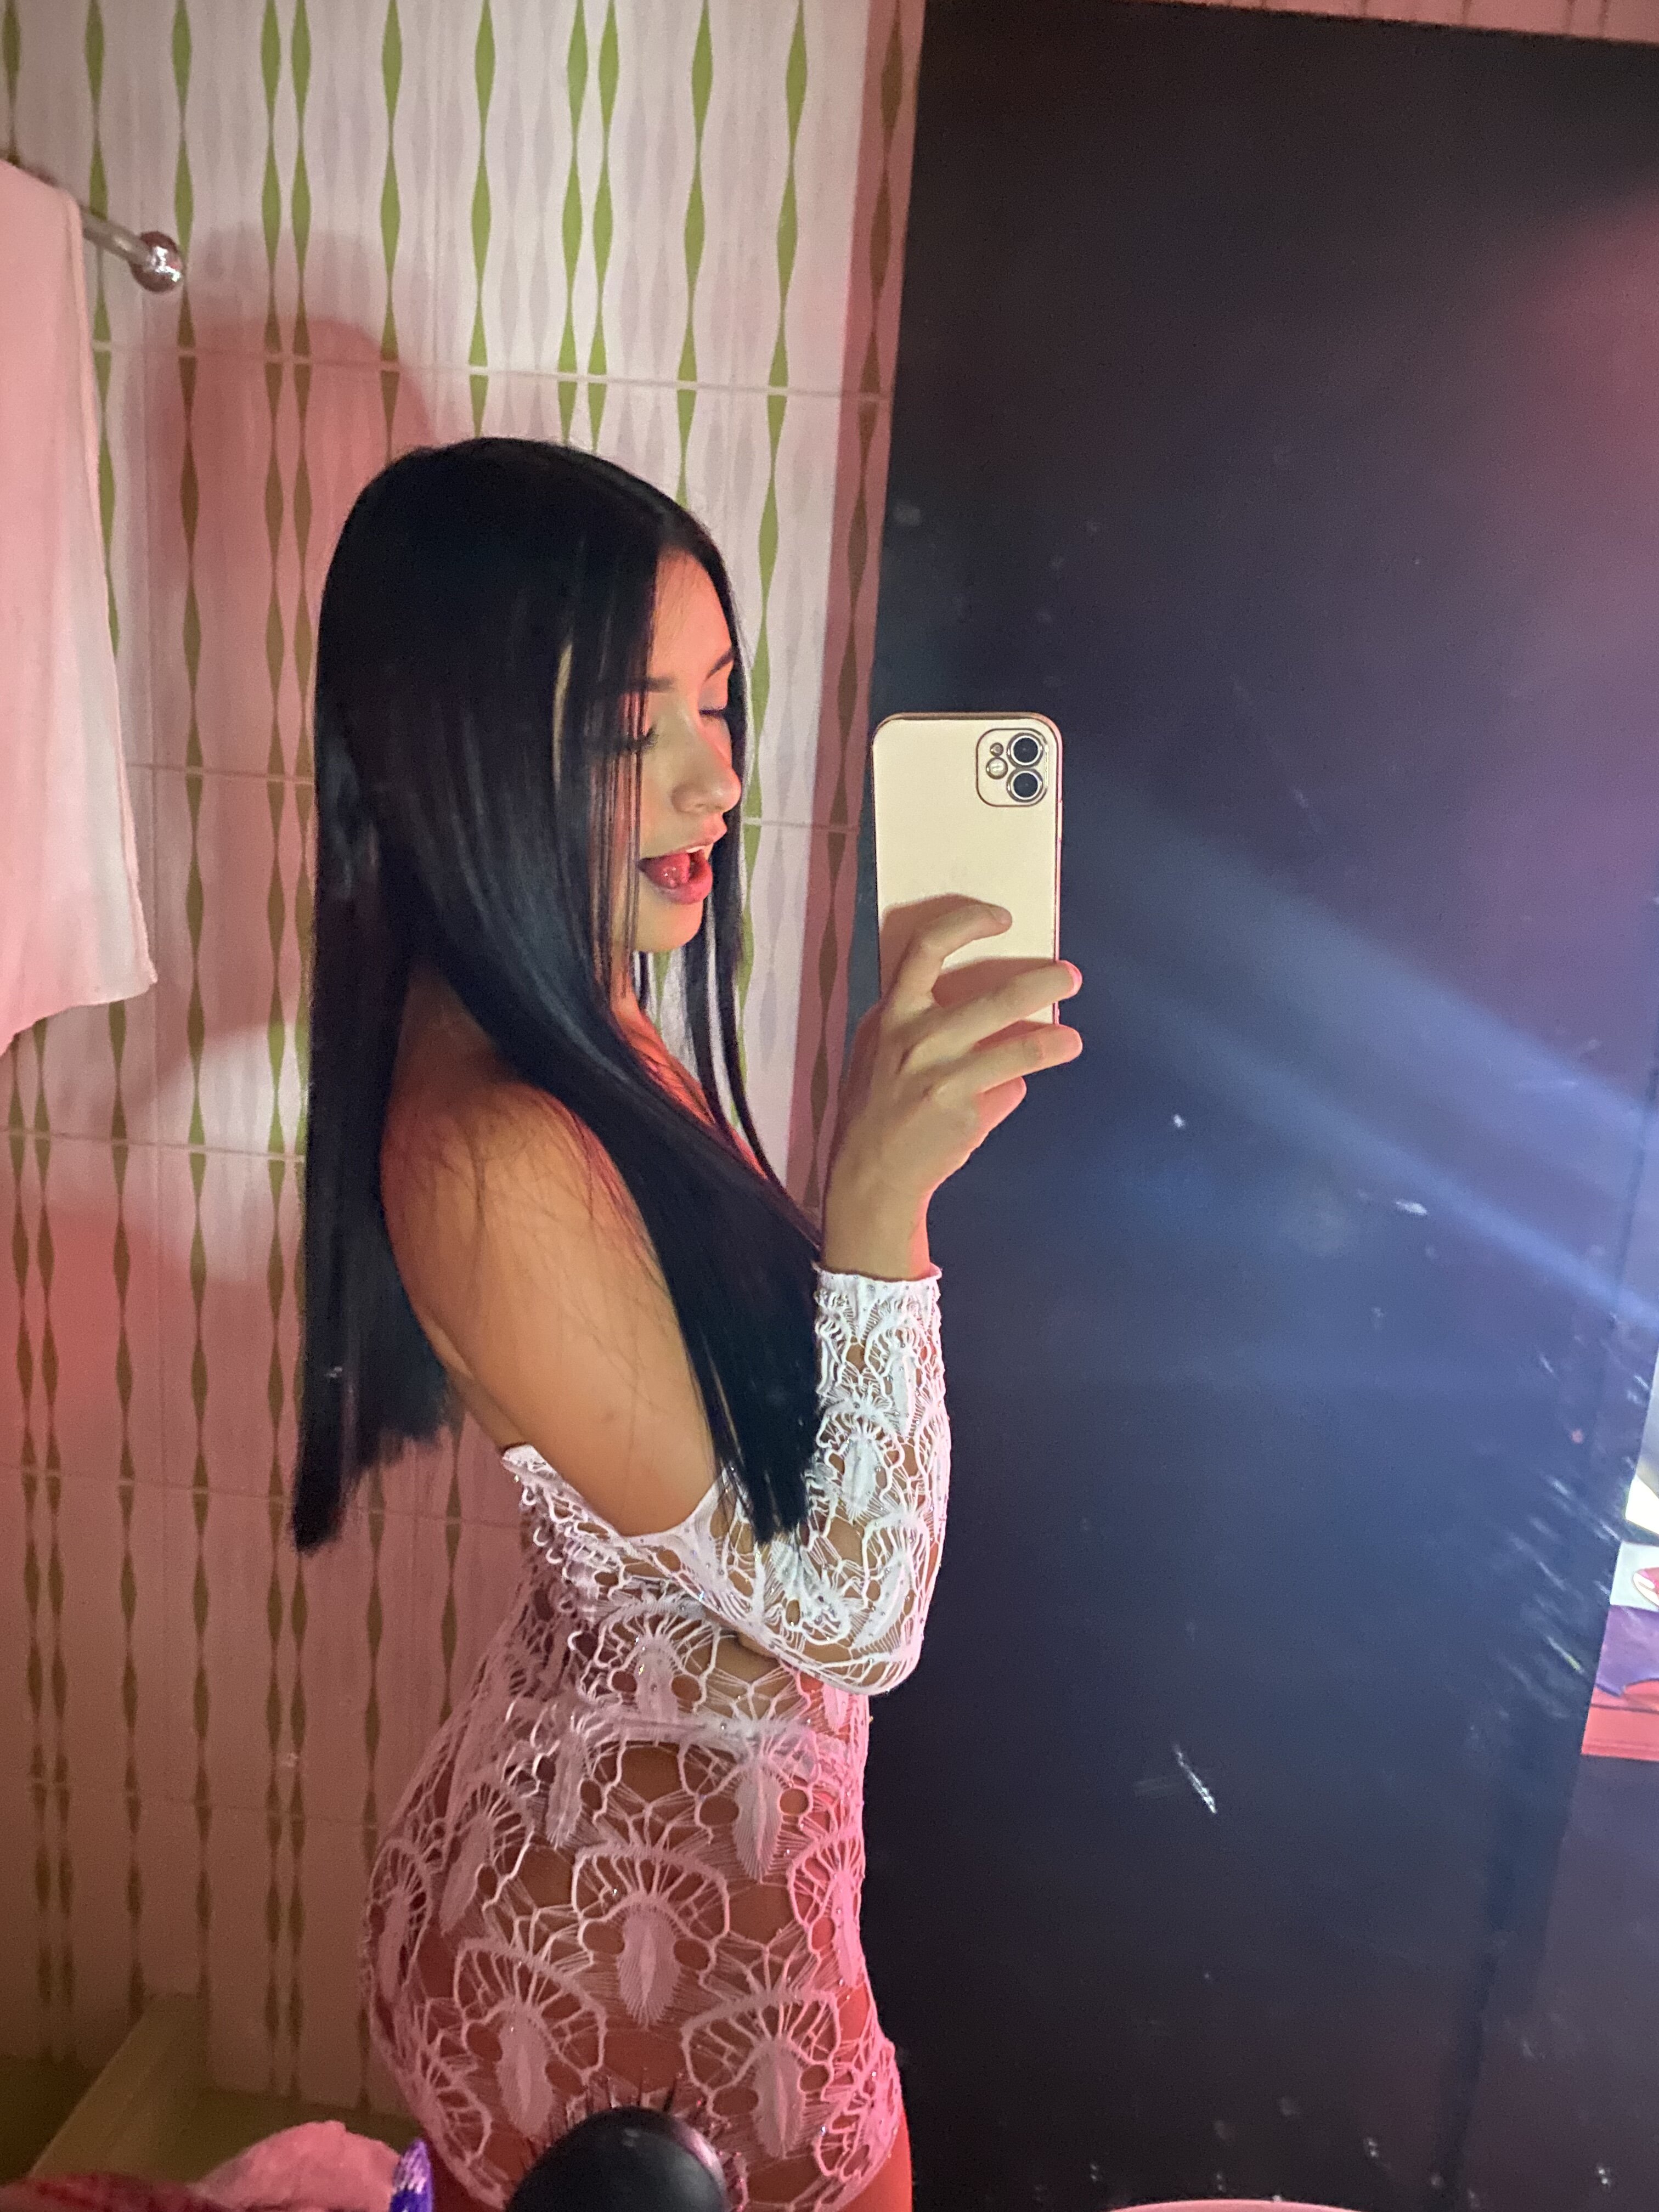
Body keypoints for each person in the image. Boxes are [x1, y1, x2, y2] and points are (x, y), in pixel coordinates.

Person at [292, 440, 1083, 2212]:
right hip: (626, 1997)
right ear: (460, 753)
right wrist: (879, 1215)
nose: (719, 780)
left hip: (655, 1868)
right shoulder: (497, 1146)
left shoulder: (575, 1010)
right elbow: (857, 1619)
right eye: (627, 733)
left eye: (719, 704)